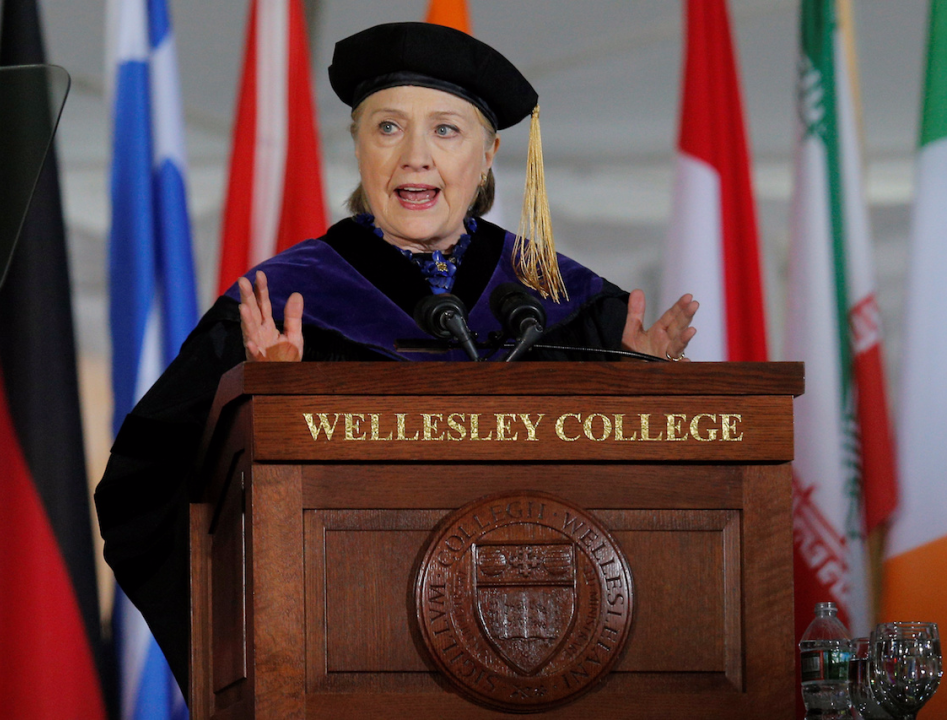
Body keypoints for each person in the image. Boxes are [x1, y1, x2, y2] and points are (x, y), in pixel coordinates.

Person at [94, 21, 697, 695]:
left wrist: (650, 395)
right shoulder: (283, 306)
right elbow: (145, 492)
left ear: (490, 152)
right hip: (345, 669)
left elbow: (655, 514)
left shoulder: (569, 308)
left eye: (446, 129)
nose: (414, 155)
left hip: (549, 671)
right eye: (387, 128)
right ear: (356, 144)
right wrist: (255, 409)